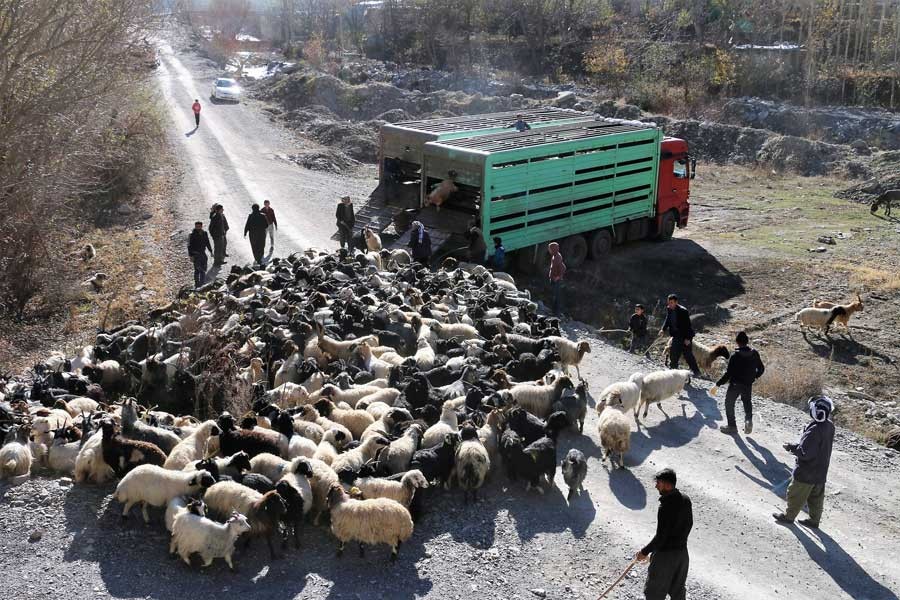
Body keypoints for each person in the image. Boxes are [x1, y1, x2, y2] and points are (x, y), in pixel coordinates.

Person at [773, 396, 836, 529]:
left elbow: (805, 453)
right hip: (821, 472)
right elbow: (816, 447)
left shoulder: (814, 430)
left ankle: (789, 517)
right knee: (816, 499)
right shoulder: (830, 426)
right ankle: (814, 521)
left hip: (806, 473)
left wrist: (792, 448)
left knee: (794, 494)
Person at [636, 468, 693, 600]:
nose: (656, 486)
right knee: (678, 592)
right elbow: (689, 524)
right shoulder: (686, 500)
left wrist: (644, 552)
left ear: (668, 485)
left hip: (665, 558)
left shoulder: (666, 506)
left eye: (659, 483)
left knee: (654, 593)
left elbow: (661, 536)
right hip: (682, 555)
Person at [715, 331, 765, 435]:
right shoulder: (754, 353)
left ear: (737, 342)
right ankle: (748, 420)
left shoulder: (735, 356)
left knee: (729, 403)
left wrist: (718, 383)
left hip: (735, 384)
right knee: (747, 402)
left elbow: (728, 374)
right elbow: (761, 369)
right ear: (747, 341)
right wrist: (754, 377)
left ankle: (732, 426)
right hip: (747, 384)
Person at [660, 294, 701, 376]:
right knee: (673, 354)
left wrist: (688, 338)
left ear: (676, 302)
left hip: (685, 336)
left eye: (672, 302)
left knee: (688, 355)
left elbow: (688, 326)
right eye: (669, 302)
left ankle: (697, 372)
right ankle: (673, 371)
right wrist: (663, 329)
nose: (670, 304)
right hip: (676, 335)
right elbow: (667, 319)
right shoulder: (669, 309)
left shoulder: (683, 311)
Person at [187, 221, 212, 288]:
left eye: (199, 226)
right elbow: (189, 246)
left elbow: (207, 242)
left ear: (201, 226)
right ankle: (197, 284)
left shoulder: (204, 233)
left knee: (203, 269)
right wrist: (190, 255)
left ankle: (202, 284)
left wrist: (211, 251)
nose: (197, 227)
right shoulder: (192, 234)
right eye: (196, 226)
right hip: (196, 254)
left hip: (203, 254)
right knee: (197, 270)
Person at [548, 241, 566, 316]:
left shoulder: (557, 258)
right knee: (554, 296)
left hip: (557, 281)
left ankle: (557, 314)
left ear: (553, 249)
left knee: (556, 297)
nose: (549, 250)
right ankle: (553, 311)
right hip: (553, 279)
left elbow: (563, 268)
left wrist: (558, 277)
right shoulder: (554, 256)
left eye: (550, 249)